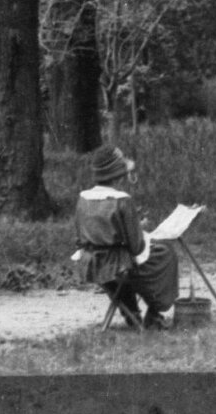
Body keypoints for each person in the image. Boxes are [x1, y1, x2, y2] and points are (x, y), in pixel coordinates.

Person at [74, 142, 178, 331]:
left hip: (91, 262)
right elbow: (136, 246)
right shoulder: (122, 200)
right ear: (118, 174)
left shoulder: (84, 198)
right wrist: (140, 230)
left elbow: (83, 234)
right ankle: (155, 313)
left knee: (123, 268)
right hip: (118, 264)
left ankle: (131, 313)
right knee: (166, 254)